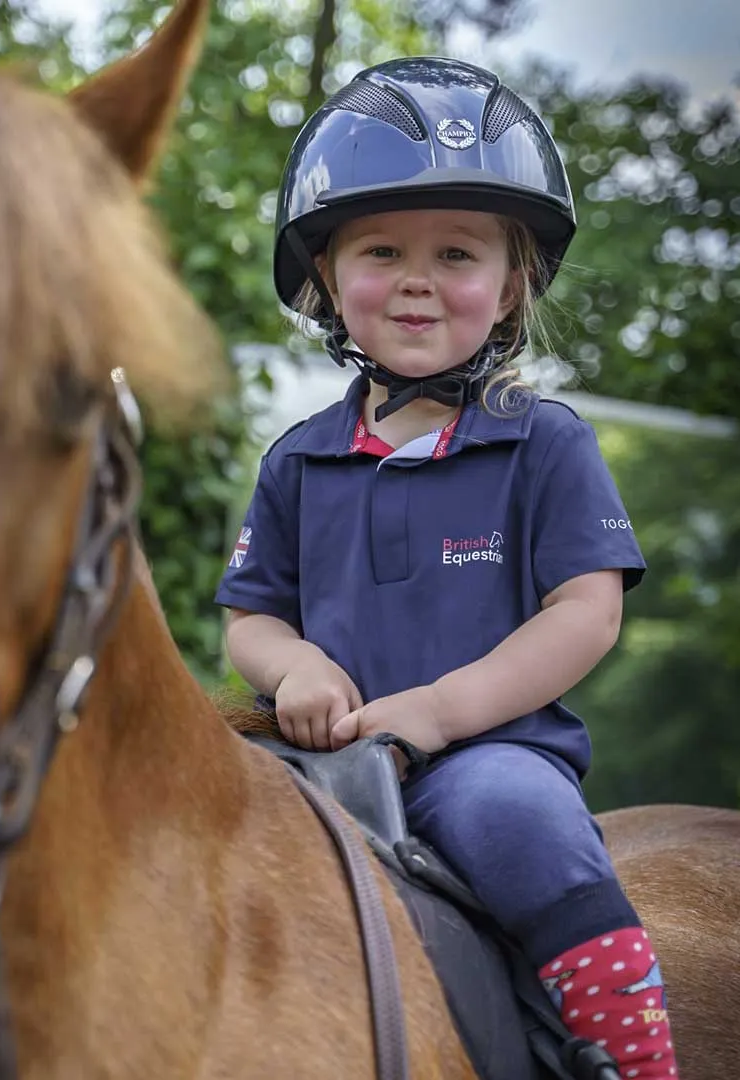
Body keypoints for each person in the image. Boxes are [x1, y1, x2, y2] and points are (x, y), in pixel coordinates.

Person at [216, 56, 678, 1078]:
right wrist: (294, 668)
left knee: (521, 820)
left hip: (484, 760)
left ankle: (633, 1056)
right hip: (326, 761)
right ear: (330, 277)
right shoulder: (296, 459)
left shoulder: (546, 443)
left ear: (512, 284)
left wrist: (434, 710)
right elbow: (250, 616)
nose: (419, 278)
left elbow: (586, 613)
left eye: (458, 252)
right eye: (382, 248)